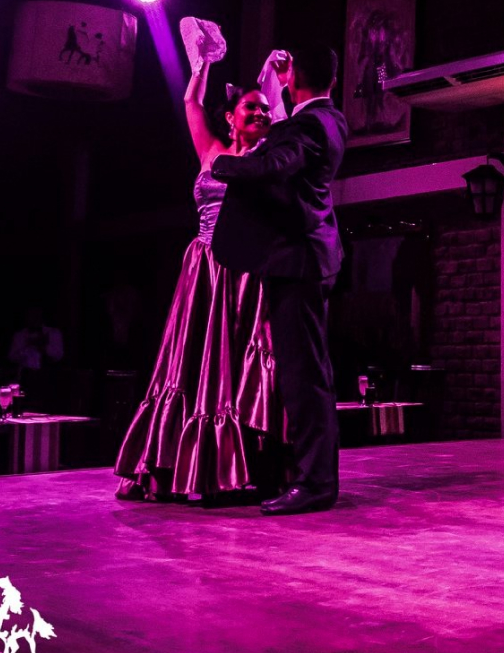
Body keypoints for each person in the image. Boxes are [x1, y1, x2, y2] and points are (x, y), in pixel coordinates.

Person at [115, 30, 279, 502]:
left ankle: (230, 468)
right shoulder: (210, 150)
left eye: (265, 110)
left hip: (242, 269)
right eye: (252, 107)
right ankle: (170, 468)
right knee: (190, 361)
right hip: (203, 266)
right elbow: (191, 103)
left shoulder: (267, 158)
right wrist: (202, 62)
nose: (261, 114)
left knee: (230, 365)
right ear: (230, 117)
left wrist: (277, 87)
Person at [210, 44, 348, 516]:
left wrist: (223, 165)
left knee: (302, 377)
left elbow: (275, 164)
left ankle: (315, 484)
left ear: (293, 82)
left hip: (299, 262)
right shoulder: (331, 118)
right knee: (312, 375)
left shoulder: (305, 126)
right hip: (311, 257)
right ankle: (316, 479)